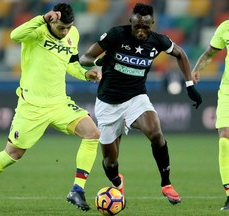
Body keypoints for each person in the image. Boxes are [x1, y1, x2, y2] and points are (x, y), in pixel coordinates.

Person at [0, 3, 101, 213]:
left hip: (59, 102)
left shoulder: (72, 34)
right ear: (52, 19)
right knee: (13, 154)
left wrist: (85, 74)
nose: (65, 32)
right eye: (61, 28)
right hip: (32, 105)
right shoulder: (36, 31)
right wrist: (42, 18)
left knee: (92, 133)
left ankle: (77, 189)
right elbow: (14, 35)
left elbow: (71, 64)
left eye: (68, 27)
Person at [80, 2, 202, 205]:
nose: (141, 31)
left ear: (152, 23)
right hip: (108, 103)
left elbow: (180, 53)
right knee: (110, 162)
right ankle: (117, 182)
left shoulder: (158, 41)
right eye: (137, 26)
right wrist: (98, 62)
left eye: (145, 27)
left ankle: (166, 184)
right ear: (131, 21)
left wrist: (189, 85)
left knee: (155, 132)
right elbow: (85, 57)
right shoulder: (116, 35)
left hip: (136, 98)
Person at [191, 20, 229, 210]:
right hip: (227, 91)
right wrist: (197, 68)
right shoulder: (225, 27)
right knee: (224, 138)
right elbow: (210, 53)